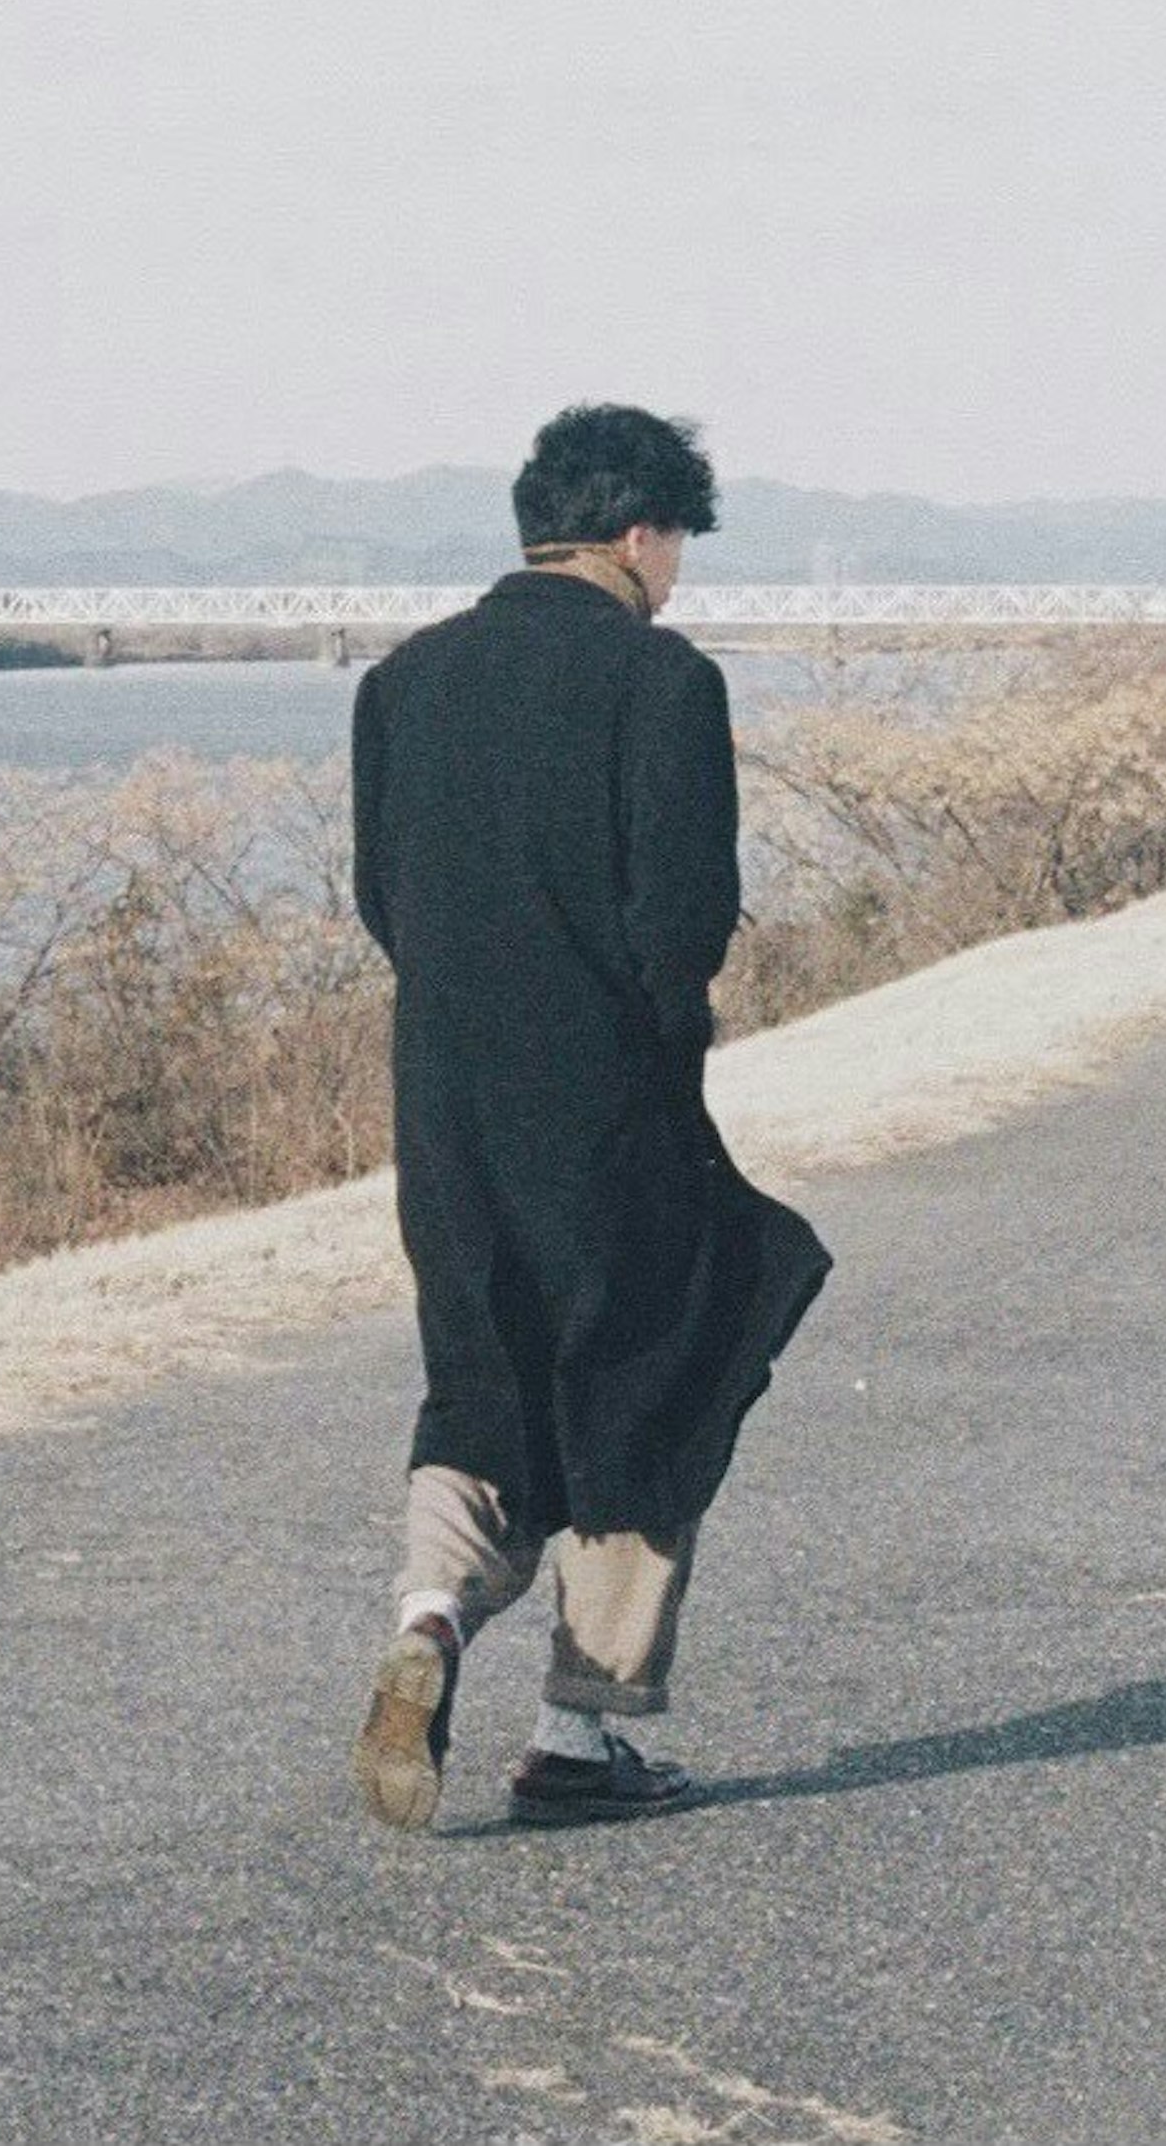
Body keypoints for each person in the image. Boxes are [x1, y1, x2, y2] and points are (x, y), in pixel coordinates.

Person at [343, 404, 830, 1831]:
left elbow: (386, 906)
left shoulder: (401, 683)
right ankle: (581, 1732)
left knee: (482, 1371)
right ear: (638, 533)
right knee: (660, 1366)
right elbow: (679, 922)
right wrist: (662, 1024)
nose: (677, 570)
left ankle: (430, 1617)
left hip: (443, 1102)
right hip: (609, 1094)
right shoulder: (661, 683)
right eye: (677, 542)